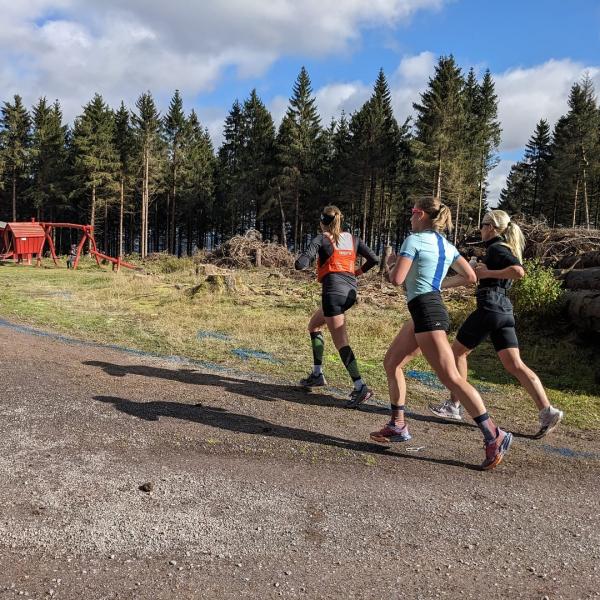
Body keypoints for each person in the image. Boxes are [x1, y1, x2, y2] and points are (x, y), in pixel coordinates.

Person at [369, 196, 512, 470]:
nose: (410, 217)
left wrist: (389, 263)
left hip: (428, 314)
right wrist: (438, 286)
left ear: (421, 214)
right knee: (392, 363)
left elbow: (396, 279)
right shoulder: (446, 246)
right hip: (427, 310)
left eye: (412, 212)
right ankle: (398, 424)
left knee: (451, 378)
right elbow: (470, 276)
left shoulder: (413, 241)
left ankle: (494, 434)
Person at [429, 209, 563, 438]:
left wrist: (486, 271)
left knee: (456, 354)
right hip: (504, 311)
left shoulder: (498, 248)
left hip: (490, 308)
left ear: (491, 227)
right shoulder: (503, 248)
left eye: (483, 225)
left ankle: (454, 406)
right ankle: (547, 411)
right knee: (515, 365)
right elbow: (478, 276)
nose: (480, 229)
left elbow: (518, 272)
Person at [295, 205, 378, 408]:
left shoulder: (321, 238)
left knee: (341, 342)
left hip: (332, 293)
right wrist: (356, 273)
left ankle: (360, 386)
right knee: (314, 326)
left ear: (322, 221)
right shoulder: (353, 239)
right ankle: (317, 374)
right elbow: (374, 259)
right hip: (349, 293)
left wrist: (301, 261)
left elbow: (302, 263)